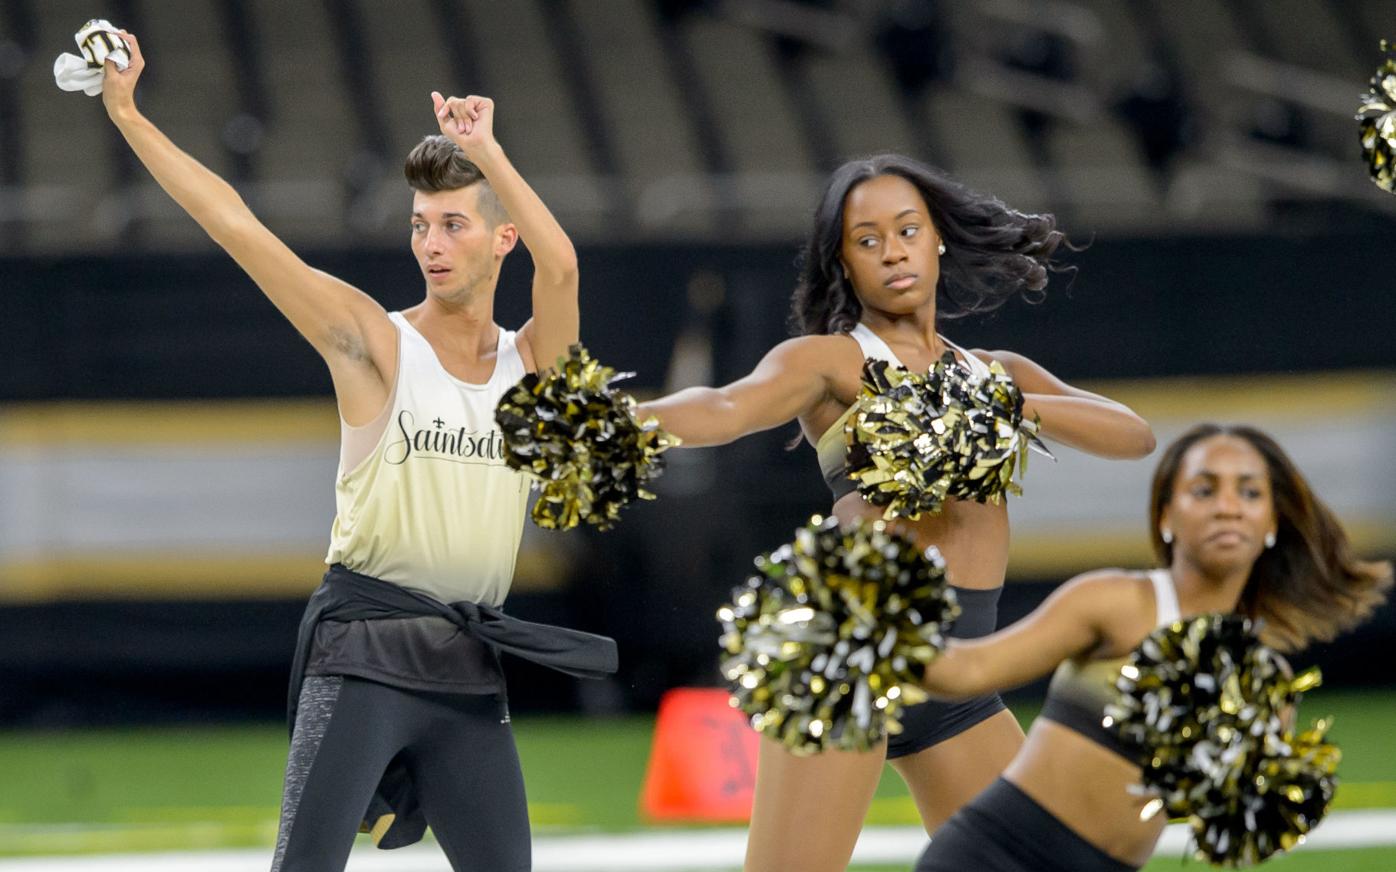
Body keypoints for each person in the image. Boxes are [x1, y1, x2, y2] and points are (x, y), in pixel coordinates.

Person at [97, 31, 614, 872]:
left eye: (454, 225)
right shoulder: (374, 341)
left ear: (499, 239)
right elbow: (236, 224)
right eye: (421, 226)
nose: (433, 244)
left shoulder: (532, 366)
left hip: (469, 671)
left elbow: (563, 267)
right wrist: (126, 113)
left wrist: (487, 149)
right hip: (362, 659)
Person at [637, 153, 1157, 872]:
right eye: (867, 240)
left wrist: (1002, 405)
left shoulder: (993, 372)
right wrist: (626, 420)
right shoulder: (828, 362)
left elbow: (1134, 434)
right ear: (844, 264)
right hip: (856, 653)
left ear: (937, 237)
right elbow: (725, 406)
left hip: (961, 674)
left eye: (908, 230)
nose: (893, 252)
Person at [913, 423, 1393, 871]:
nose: (1228, 506)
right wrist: (869, 621)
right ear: (1167, 515)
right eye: (1204, 490)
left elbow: (1229, 832)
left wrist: (1278, 799)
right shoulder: (1115, 602)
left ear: (1271, 522)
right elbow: (964, 672)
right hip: (990, 858)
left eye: (1249, 492)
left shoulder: (1261, 682)